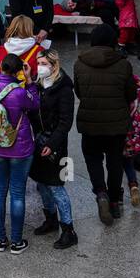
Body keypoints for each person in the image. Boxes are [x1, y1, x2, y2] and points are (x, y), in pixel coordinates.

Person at [74, 22, 136, 224]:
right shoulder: (123, 64)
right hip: (116, 124)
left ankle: (101, 194)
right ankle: (116, 202)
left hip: (90, 123)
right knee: (115, 161)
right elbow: (131, 94)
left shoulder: (79, 63)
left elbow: (79, 93)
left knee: (93, 158)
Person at [0, 52, 40, 252]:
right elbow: (35, 104)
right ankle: (16, 241)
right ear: (18, 72)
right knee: (17, 193)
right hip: (19, 149)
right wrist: (30, 81)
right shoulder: (19, 92)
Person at [29, 49, 79, 249]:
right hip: (38, 142)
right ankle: (50, 219)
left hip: (54, 145)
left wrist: (51, 144)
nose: (40, 67)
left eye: (43, 63)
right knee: (41, 184)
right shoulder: (39, 84)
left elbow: (65, 122)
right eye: (38, 62)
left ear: (54, 65)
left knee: (56, 186)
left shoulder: (64, 88)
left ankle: (68, 229)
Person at [122, 73, 140, 207]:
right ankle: (133, 186)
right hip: (132, 131)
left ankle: (116, 196)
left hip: (117, 129)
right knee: (128, 162)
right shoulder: (134, 93)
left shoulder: (116, 93)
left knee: (114, 164)